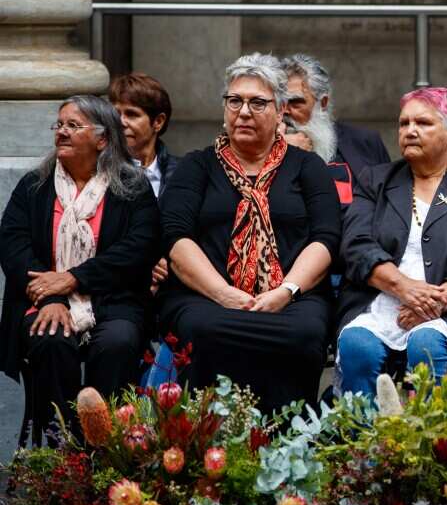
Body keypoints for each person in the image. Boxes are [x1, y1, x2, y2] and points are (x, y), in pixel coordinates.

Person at [159, 53, 340, 412]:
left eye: (257, 102)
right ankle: (205, 439)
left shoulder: (308, 167)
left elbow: (326, 238)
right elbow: (176, 240)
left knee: (304, 334)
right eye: (234, 100)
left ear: (280, 111)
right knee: (203, 329)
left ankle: (290, 440)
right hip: (207, 297)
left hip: (292, 299)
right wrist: (223, 293)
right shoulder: (197, 166)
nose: (243, 111)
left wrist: (285, 291)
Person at [0, 95, 160, 444]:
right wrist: (49, 298)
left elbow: (138, 250)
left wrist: (73, 278)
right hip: (40, 301)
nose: (62, 132)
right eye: (59, 125)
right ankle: (63, 452)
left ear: (102, 139)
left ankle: (106, 449)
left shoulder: (131, 187)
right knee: (51, 339)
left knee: (117, 343)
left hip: (113, 300)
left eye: (73, 125)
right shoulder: (34, 187)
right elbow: (12, 248)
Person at [336, 87, 447, 394]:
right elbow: (356, 245)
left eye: (423, 123)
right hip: (381, 300)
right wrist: (405, 288)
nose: (410, 131)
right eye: (404, 124)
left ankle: (432, 441)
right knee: (357, 347)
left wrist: (433, 303)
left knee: (427, 346)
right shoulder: (375, 180)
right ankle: (361, 441)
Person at [281, 54, 391, 205]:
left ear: (323, 103)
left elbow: (387, 205)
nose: (284, 111)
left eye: (295, 102)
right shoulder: (261, 149)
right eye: (279, 103)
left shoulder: (365, 142)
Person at [108, 72, 180, 198]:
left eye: (131, 114)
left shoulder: (182, 172)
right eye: (115, 114)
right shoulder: (100, 172)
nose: (120, 122)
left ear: (158, 122)